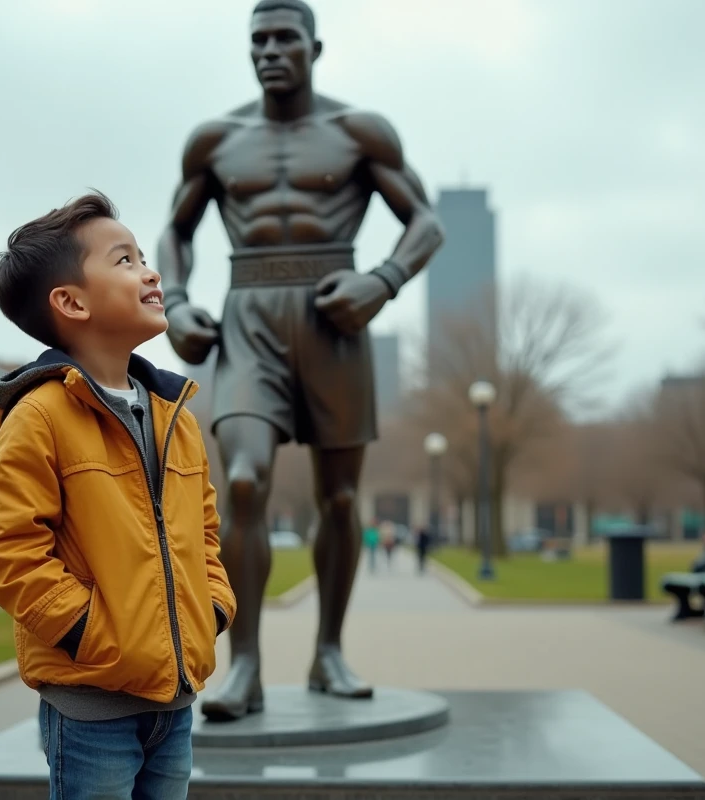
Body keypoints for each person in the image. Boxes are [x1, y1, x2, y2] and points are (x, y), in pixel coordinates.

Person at [157, 0, 444, 720]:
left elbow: (426, 221)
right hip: (247, 317)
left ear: (317, 46)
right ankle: (245, 664)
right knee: (246, 481)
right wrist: (177, 300)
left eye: (286, 38)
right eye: (258, 39)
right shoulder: (216, 140)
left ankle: (329, 652)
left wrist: (382, 282)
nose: (270, 50)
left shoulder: (358, 131)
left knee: (341, 499)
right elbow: (176, 229)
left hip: (333, 317)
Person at [0, 192, 235, 800]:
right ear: (70, 302)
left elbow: (206, 534)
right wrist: (89, 632)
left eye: (144, 256)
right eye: (124, 261)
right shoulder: (39, 414)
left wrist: (212, 609)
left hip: (175, 705)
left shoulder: (177, 418)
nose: (150, 271)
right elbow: (7, 551)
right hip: (91, 712)